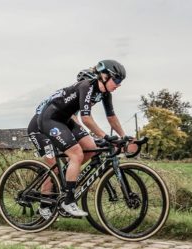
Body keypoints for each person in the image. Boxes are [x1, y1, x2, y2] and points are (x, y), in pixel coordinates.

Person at [28, 59, 132, 218]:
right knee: (73, 156)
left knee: (91, 149)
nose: (119, 84)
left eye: (121, 81)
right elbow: (86, 119)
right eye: (117, 79)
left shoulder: (105, 93)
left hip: (64, 120)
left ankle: (67, 176)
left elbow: (111, 117)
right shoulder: (87, 86)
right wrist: (105, 136)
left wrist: (124, 137)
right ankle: (66, 201)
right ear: (104, 76)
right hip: (48, 120)